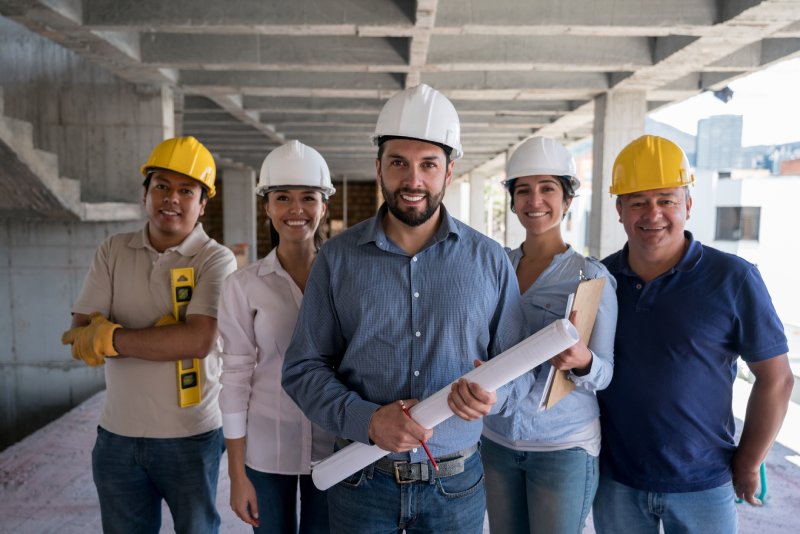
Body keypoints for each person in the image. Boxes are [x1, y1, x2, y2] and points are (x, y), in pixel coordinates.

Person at [281, 84, 527, 534]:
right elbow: (302, 368)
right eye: (399, 163)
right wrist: (368, 419)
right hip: (361, 481)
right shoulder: (337, 259)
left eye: (428, 164)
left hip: (457, 488)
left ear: (449, 171)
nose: (413, 180)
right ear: (379, 168)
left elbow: (518, 372)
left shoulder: (491, 261)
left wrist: (495, 396)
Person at [593, 135, 793, 533]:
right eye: (638, 201)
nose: (653, 213)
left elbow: (777, 379)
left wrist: (749, 462)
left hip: (704, 481)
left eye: (666, 199)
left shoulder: (733, 279)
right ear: (619, 210)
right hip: (616, 481)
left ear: (687, 204)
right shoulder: (600, 280)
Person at [61, 136, 237, 534]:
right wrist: (160, 338)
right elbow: (79, 336)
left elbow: (197, 341)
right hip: (116, 439)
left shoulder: (215, 259)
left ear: (202, 204)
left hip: (190, 438)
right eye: (161, 186)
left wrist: (111, 337)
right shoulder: (113, 250)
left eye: (186, 190)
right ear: (145, 194)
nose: (171, 199)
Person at [481, 136, 617, 534]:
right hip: (497, 440)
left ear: (567, 199)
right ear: (511, 199)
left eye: (547, 189)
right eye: (522, 190)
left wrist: (582, 362)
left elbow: (606, 371)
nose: (534, 200)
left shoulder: (590, 276)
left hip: (563, 446)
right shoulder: (495, 267)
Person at [217, 140, 336, 533]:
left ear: (324, 205)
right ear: (267, 206)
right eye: (282, 197)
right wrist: (237, 474)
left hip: (335, 446)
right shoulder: (243, 286)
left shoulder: (346, 280)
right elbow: (234, 378)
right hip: (267, 450)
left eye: (308, 198)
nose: (296, 210)